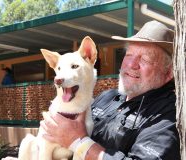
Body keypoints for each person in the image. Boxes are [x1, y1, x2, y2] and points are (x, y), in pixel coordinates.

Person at [41, 20, 180, 160]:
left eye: (145, 59)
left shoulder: (169, 116)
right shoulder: (107, 97)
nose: (131, 64)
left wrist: (78, 142)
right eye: (129, 55)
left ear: (168, 73)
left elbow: (75, 138)